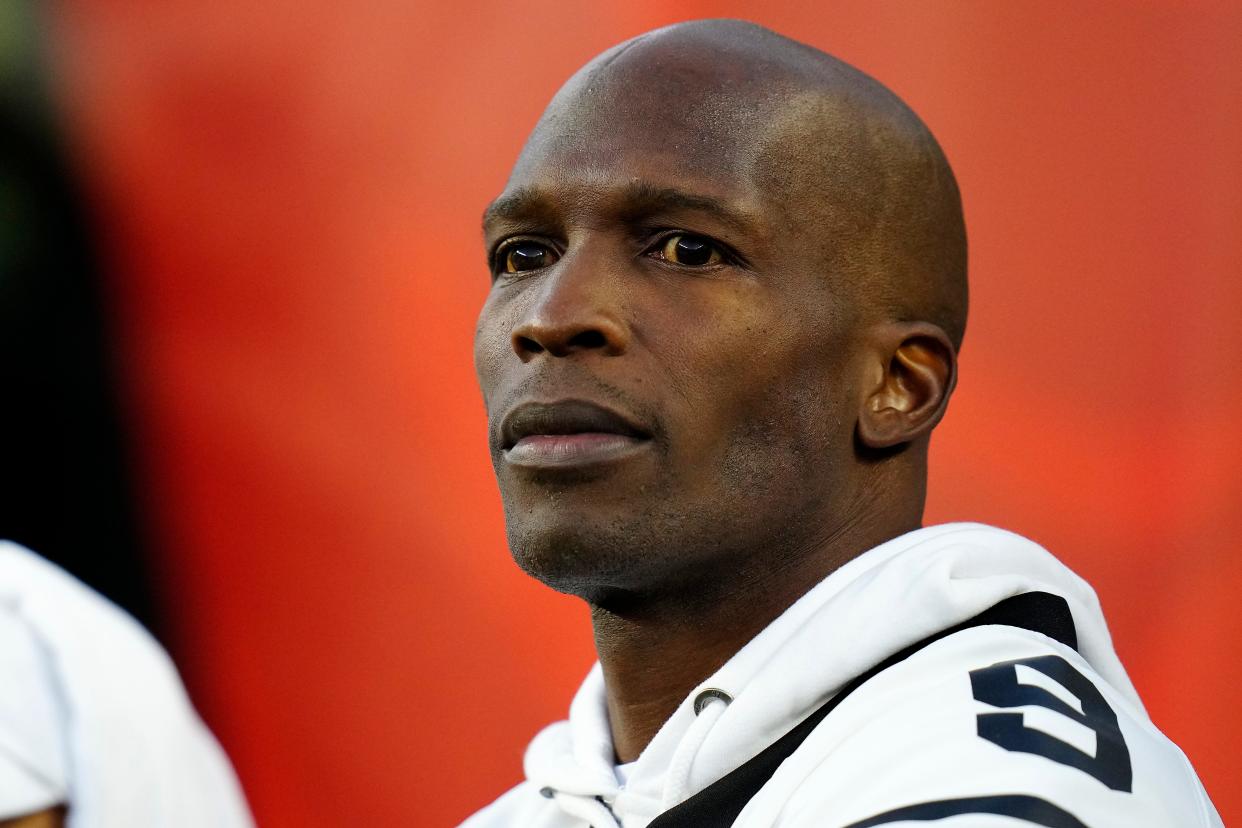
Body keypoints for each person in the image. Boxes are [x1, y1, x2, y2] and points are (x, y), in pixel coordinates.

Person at [463, 19, 1222, 828]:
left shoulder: (997, 789)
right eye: (524, 254)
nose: (550, 317)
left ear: (898, 384)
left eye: (685, 250)